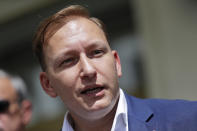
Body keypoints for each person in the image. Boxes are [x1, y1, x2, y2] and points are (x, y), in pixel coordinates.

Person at [32, 5, 197, 131]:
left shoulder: (188, 120)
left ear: (117, 63)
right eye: (68, 61)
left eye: (96, 52)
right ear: (48, 84)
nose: (88, 70)